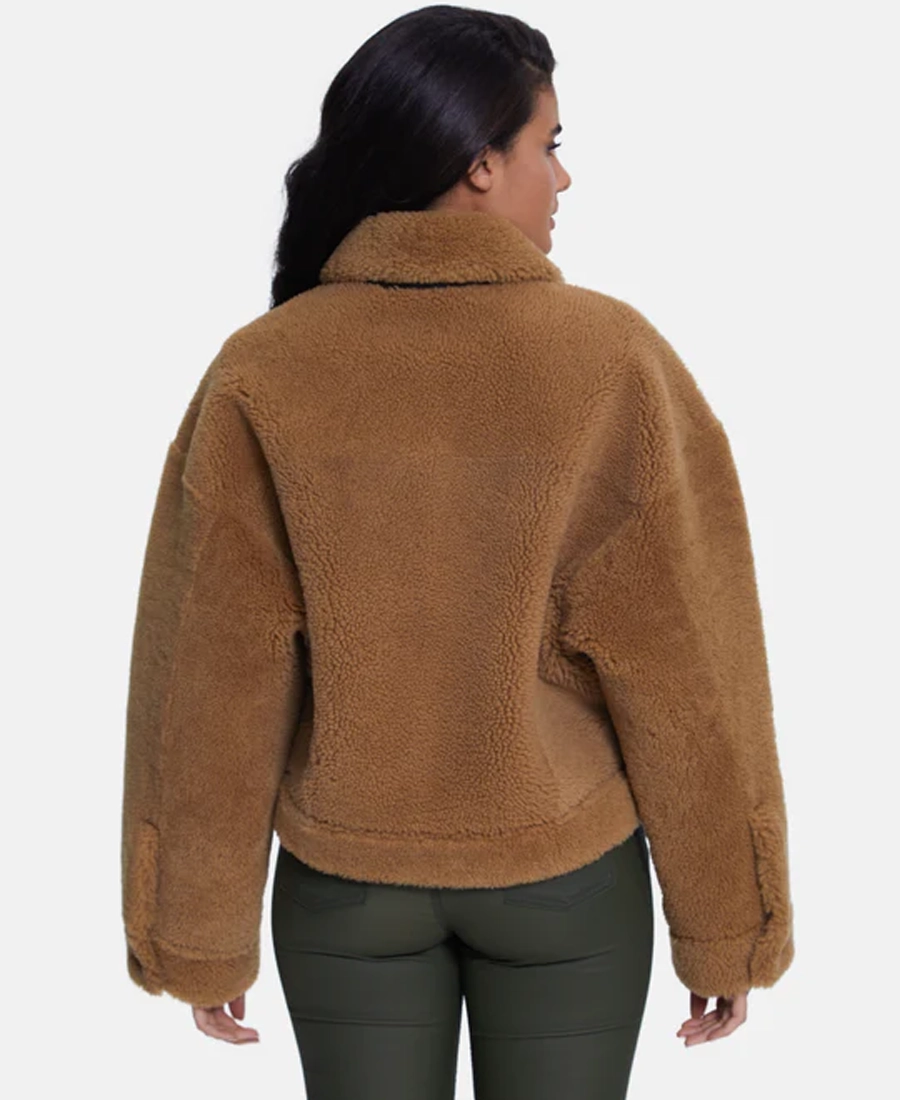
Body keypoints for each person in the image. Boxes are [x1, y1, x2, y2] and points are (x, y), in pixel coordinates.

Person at [120, 4, 795, 1096]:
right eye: (549, 145)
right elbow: (689, 667)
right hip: (564, 876)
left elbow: (210, 674)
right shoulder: (614, 359)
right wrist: (730, 925)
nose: (563, 178)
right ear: (480, 164)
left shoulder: (262, 368)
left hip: (348, 884)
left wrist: (196, 931)